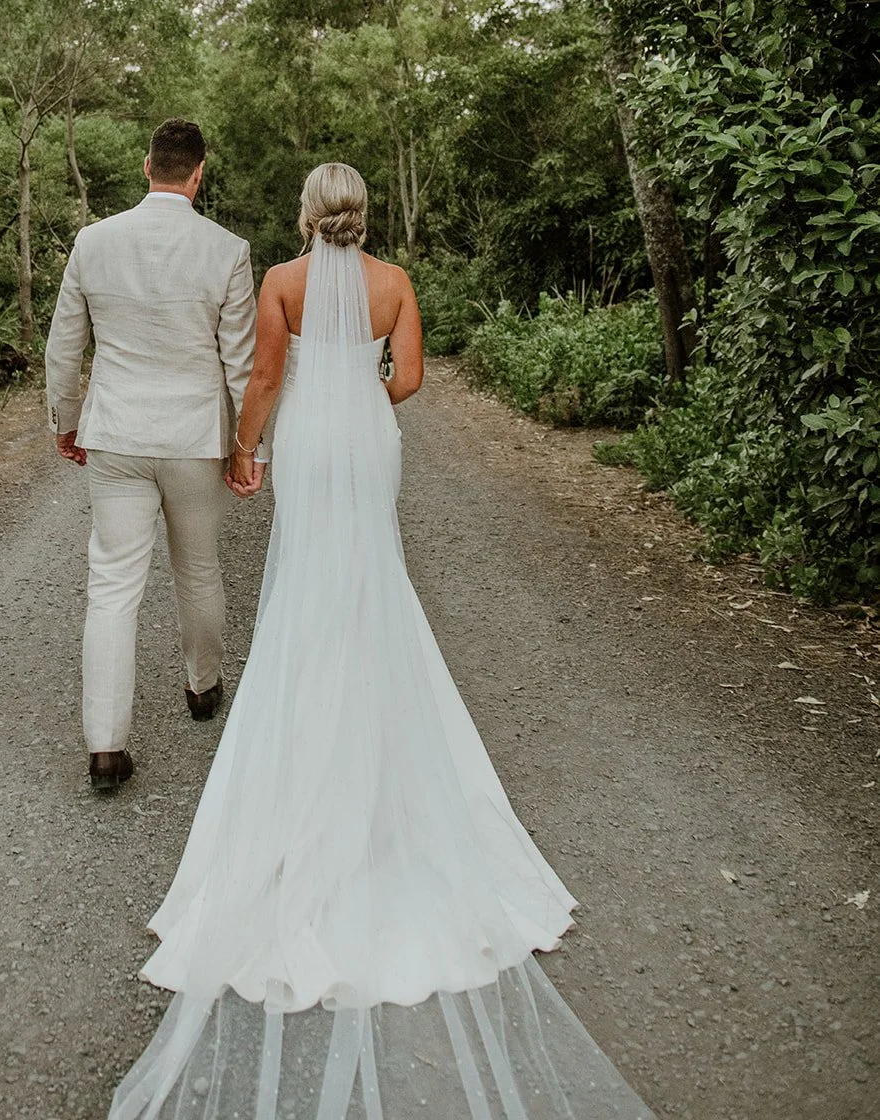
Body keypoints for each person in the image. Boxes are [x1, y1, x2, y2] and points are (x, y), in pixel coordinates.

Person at [107, 162, 655, 1119]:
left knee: (309, 583)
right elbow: (407, 379)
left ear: (306, 215)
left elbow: (267, 376)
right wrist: (358, 393)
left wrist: (247, 447)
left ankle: (310, 730)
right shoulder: (395, 283)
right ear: (363, 213)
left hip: (311, 446)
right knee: (373, 581)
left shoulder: (280, 281)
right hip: (366, 443)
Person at [44, 118, 266, 795]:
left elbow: (63, 347)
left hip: (115, 434)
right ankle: (203, 688)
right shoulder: (227, 250)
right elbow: (241, 364)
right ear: (198, 173)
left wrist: (67, 420)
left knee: (111, 587)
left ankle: (105, 748)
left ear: (148, 167)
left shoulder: (93, 241)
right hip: (193, 440)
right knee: (198, 570)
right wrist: (247, 449)